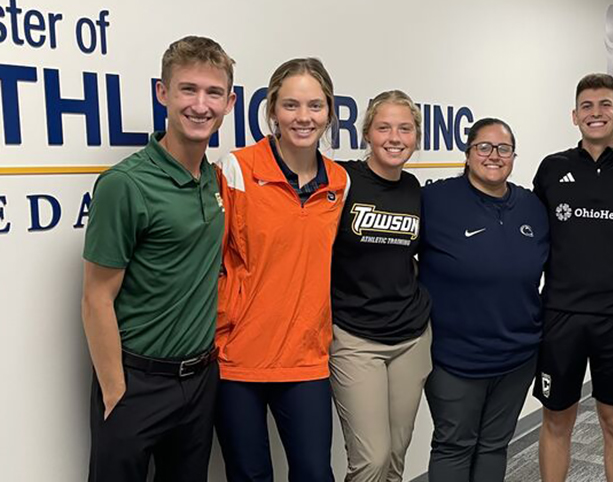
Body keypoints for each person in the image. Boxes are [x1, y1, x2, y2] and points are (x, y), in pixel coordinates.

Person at [81, 36, 236, 482]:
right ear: (162, 93)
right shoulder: (125, 185)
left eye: (212, 93)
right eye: (188, 89)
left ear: (229, 102)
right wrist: (115, 390)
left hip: (201, 378)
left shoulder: (213, 179)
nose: (200, 105)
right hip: (137, 382)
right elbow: (96, 298)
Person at [213, 58, 348, 482]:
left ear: (329, 111)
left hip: (306, 358)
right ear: (272, 110)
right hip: (239, 359)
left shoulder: (339, 182)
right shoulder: (237, 169)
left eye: (314, 105)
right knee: (249, 476)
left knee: (314, 473)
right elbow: (211, 262)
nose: (302, 117)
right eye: (290, 105)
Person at [532, 73, 613, 482]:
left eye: (605, 104)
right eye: (586, 106)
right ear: (574, 116)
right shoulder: (552, 169)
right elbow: (532, 240)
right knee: (557, 420)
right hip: (561, 315)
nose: (596, 113)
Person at [420, 118, 550, 482]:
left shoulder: (532, 207)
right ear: (468, 153)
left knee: (495, 444)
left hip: (518, 356)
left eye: (503, 149)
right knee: (454, 445)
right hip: (454, 358)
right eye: (484, 147)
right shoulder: (435, 200)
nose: (494, 156)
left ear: (513, 155)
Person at [329, 90, 432, 482]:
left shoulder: (414, 190)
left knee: (395, 458)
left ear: (416, 137)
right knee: (370, 459)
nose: (395, 137)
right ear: (367, 133)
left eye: (405, 129)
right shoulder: (342, 180)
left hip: (411, 339)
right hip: (355, 339)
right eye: (384, 127)